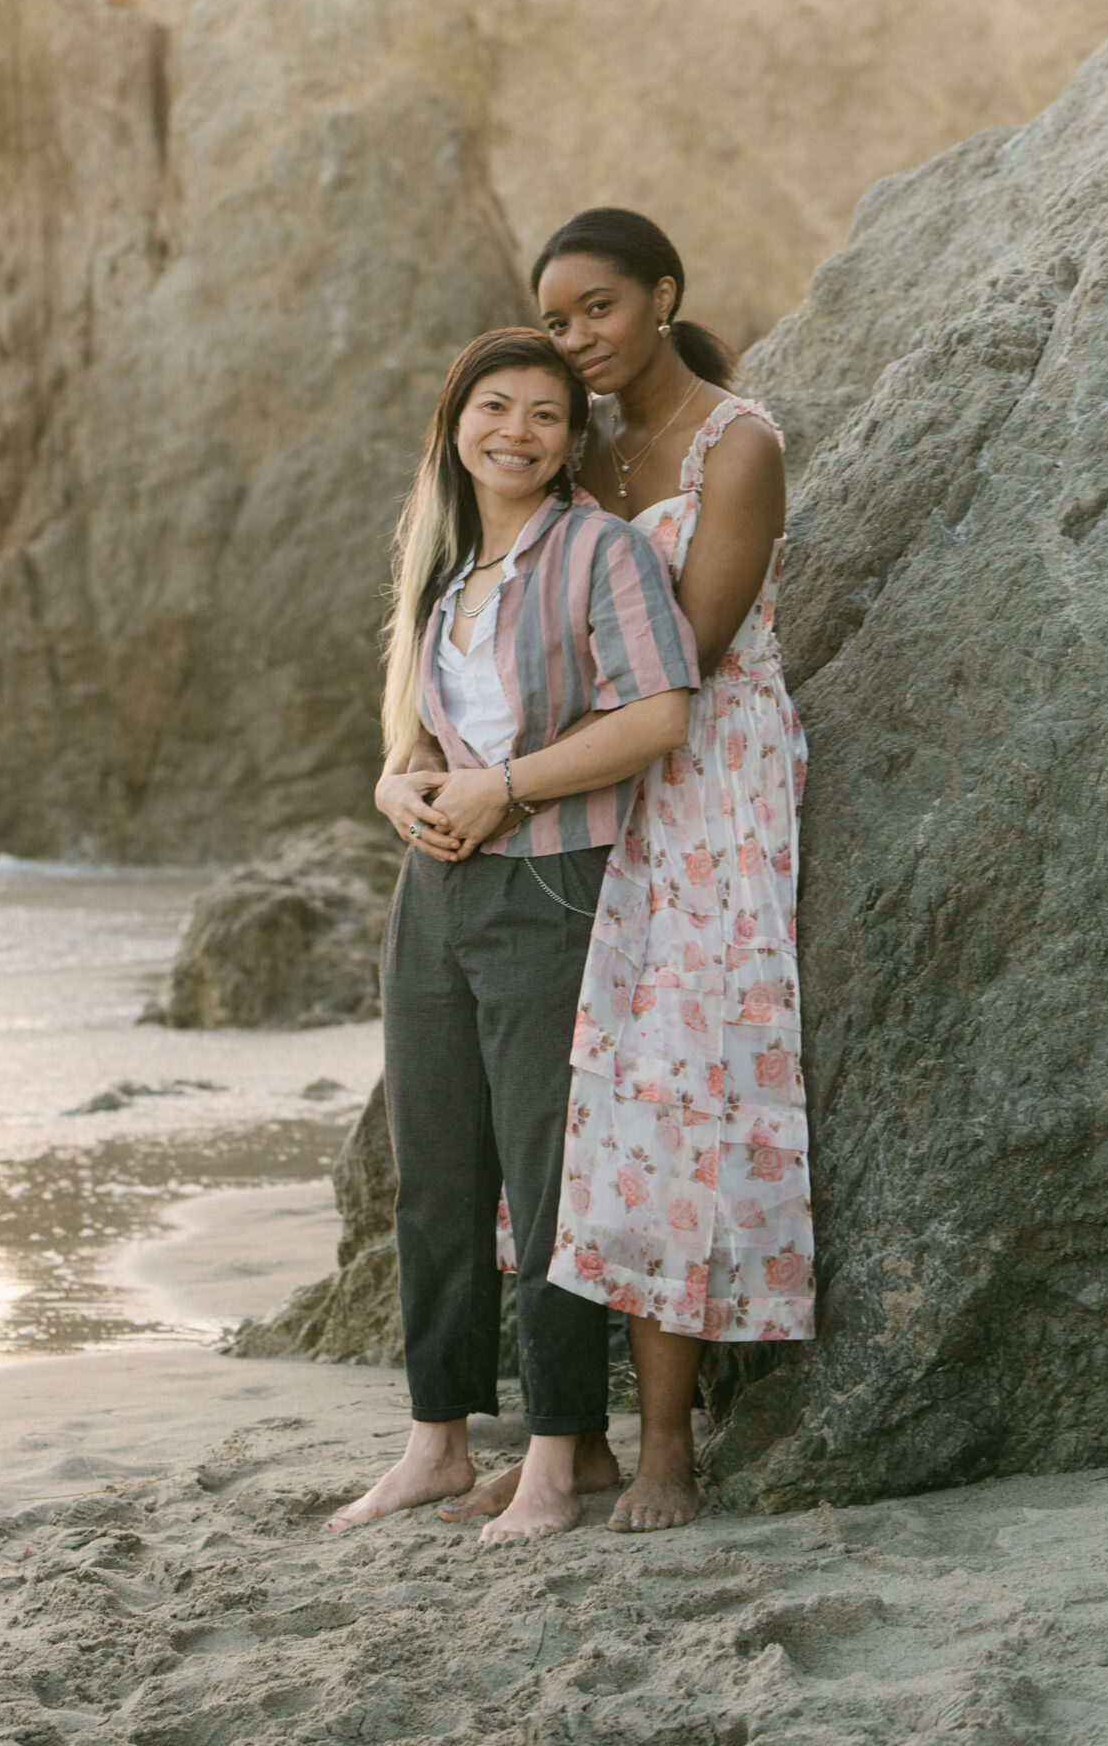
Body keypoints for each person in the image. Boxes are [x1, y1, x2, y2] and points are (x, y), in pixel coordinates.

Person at [440, 208, 813, 1536]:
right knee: (565, 1098)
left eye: (597, 307)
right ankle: (568, 1437)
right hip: (579, 778)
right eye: (555, 318)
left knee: (676, 1092)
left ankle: (665, 1446)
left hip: (702, 782)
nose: (576, 339)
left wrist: (523, 746)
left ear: (662, 296)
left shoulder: (739, 443)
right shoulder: (570, 439)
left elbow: (687, 648)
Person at [325, 326, 699, 1545]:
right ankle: (435, 1441)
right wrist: (397, 785)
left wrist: (514, 787)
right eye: (494, 407)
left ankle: (551, 1453)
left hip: (547, 884)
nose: (517, 433)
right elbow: (421, 741)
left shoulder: (599, 551)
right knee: (435, 1170)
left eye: (546, 414)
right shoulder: (442, 569)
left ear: (569, 436)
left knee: (547, 1178)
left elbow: (658, 713)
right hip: (429, 895)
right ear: (455, 422)